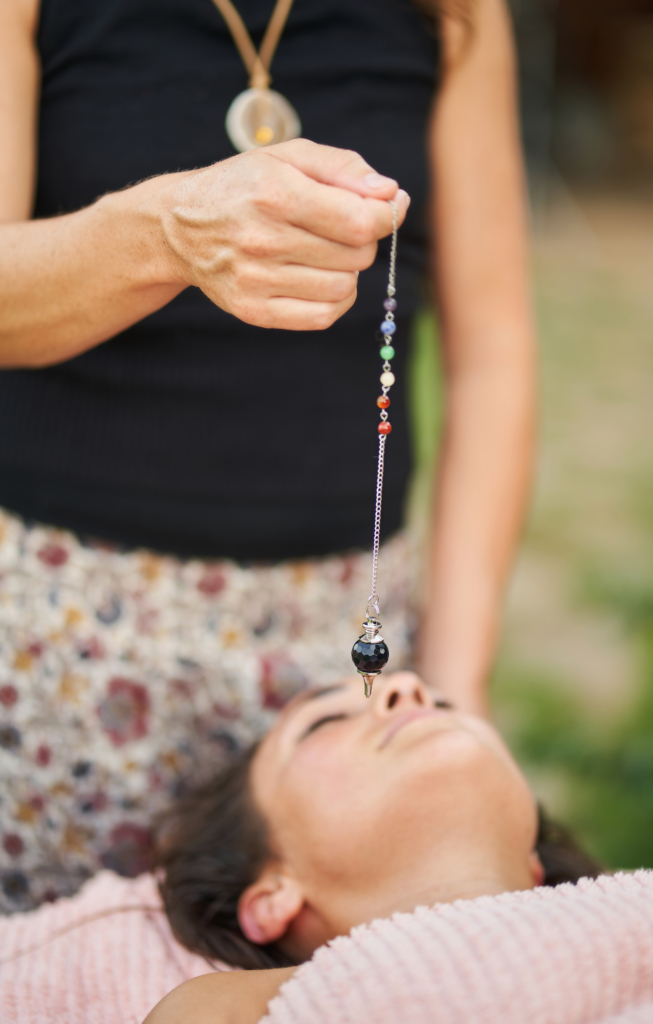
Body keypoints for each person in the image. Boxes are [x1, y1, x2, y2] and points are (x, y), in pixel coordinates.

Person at [0, 0, 535, 911]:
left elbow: (493, 355)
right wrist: (163, 233)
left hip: (340, 648)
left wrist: (455, 683)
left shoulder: (454, 15)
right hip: (61, 638)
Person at [0, 672, 601, 1024]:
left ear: (534, 869)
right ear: (272, 897)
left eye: (444, 704)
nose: (408, 686)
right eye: (324, 722)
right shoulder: (222, 1010)